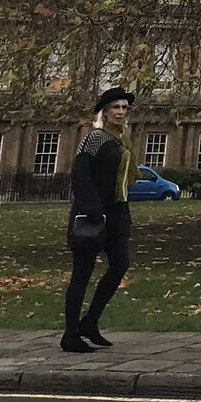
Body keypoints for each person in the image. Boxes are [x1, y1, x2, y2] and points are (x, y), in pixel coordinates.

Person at [62, 87, 136, 353]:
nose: (120, 112)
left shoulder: (122, 140)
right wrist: (93, 209)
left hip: (116, 214)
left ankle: (90, 321)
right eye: (115, 107)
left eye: (124, 108)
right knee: (81, 275)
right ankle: (70, 335)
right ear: (104, 111)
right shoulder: (94, 138)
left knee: (120, 265)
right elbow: (80, 176)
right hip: (92, 215)